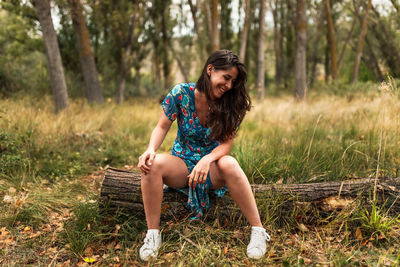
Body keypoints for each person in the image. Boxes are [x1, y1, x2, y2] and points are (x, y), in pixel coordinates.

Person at [137, 50, 270, 261]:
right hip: (181, 165)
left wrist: (206, 160)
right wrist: (150, 149)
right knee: (152, 164)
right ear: (210, 69)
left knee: (231, 163)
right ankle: (153, 235)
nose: (228, 85)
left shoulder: (230, 104)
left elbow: (225, 145)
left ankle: (258, 231)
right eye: (226, 77)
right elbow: (162, 126)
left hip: (212, 169)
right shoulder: (181, 93)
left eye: (233, 81)